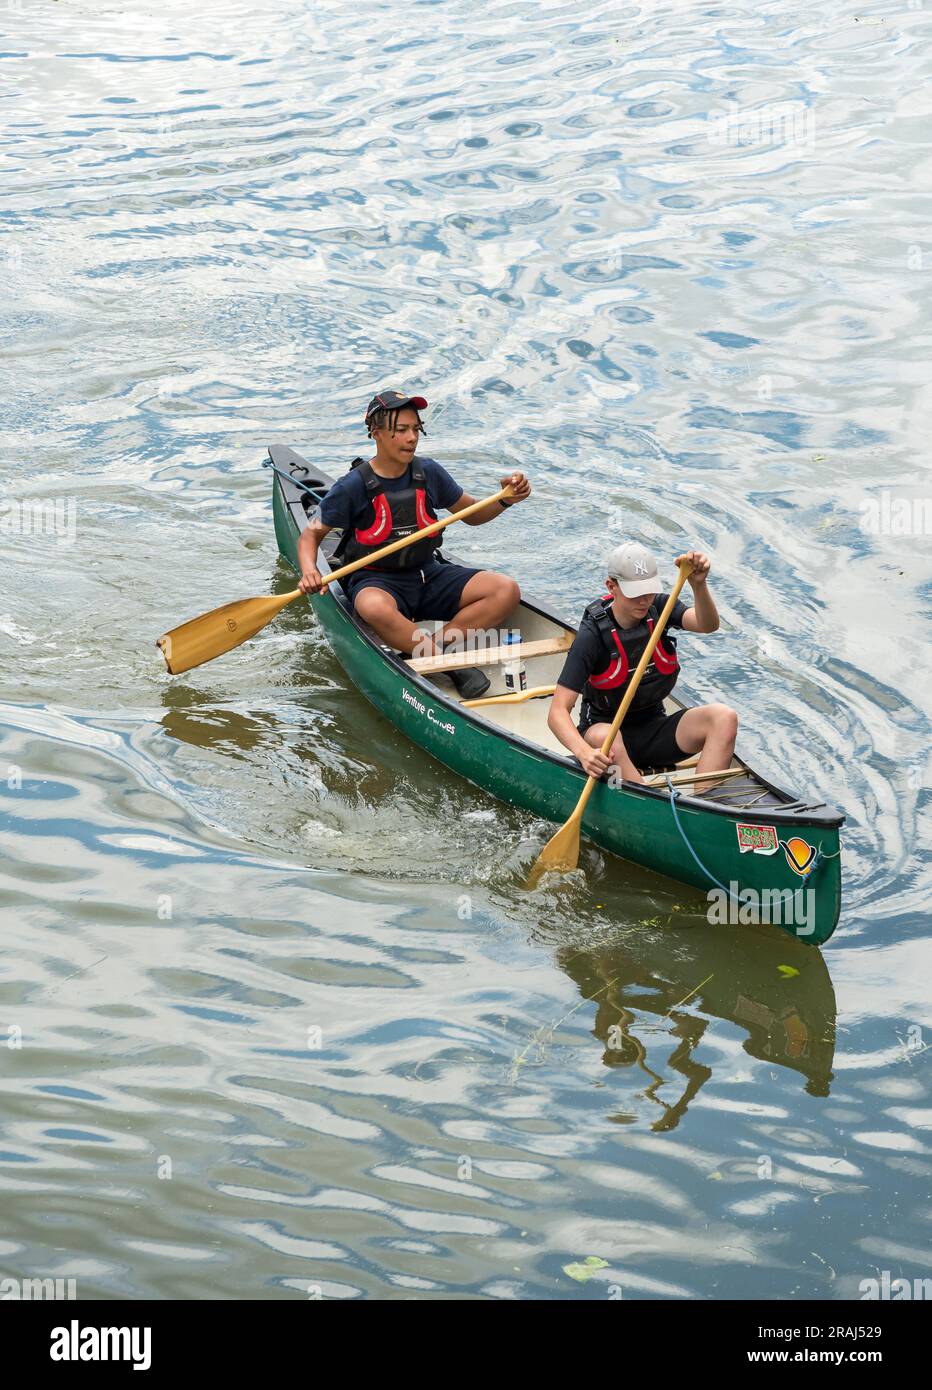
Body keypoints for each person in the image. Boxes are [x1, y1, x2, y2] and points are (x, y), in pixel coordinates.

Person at [297, 389, 531, 698]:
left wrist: (505, 501)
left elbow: (473, 514)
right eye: (401, 430)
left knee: (505, 590)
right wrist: (309, 570)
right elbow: (310, 536)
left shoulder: (428, 472)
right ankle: (444, 660)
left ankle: (431, 649)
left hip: (428, 574)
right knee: (370, 605)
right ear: (376, 433)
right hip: (377, 581)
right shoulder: (352, 486)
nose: (412, 438)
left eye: (416, 429)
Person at [547, 542, 737, 789]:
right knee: (606, 736)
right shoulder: (591, 636)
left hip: (655, 732)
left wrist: (698, 585)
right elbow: (557, 712)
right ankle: (649, 804)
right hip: (606, 743)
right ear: (611, 586)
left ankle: (706, 804)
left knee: (724, 717)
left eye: (648, 590)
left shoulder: (659, 607)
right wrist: (584, 753)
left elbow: (707, 624)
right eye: (635, 593)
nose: (644, 600)